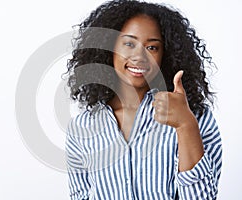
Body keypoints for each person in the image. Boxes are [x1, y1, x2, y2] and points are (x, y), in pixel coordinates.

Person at [65, 0, 222, 199]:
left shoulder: (196, 118)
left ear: (165, 55)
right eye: (129, 44)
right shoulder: (81, 128)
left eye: (152, 48)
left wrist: (185, 125)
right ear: (109, 48)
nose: (139, 56)